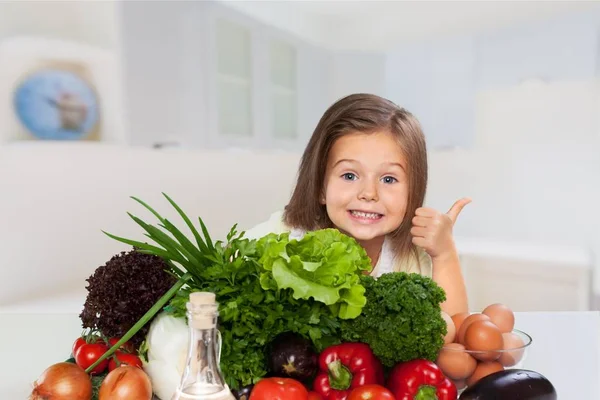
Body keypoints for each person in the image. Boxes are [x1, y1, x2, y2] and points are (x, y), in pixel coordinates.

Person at [245, 93, 469, 316]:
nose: (369, 193)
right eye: (350, 176)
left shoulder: (411, 257)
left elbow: (454, 331)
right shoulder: (281, 237)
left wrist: (445, 254)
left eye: (388, 179)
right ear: (321, 187)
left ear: (413, 191)